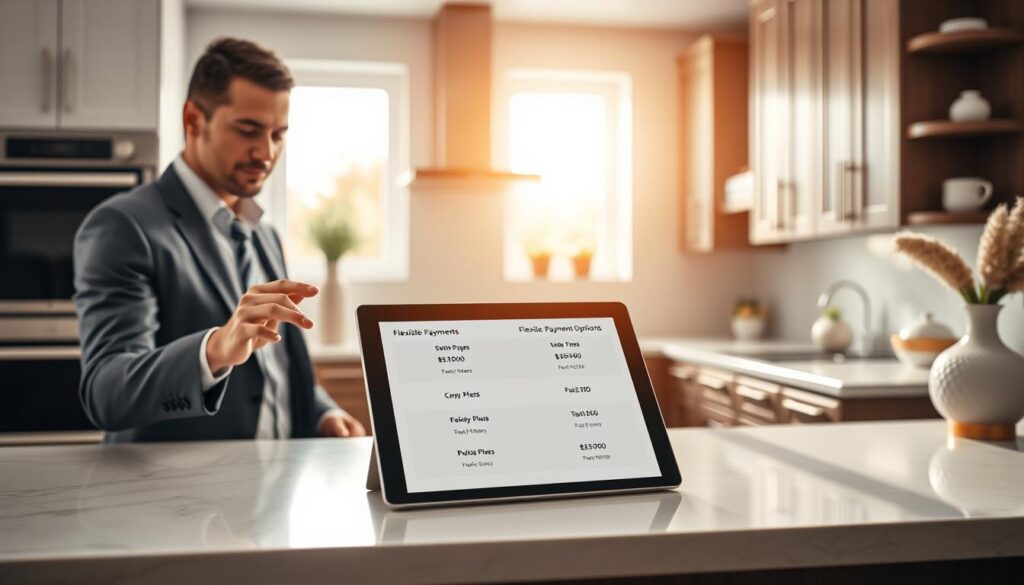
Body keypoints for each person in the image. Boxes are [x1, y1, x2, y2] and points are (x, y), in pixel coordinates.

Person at [73, 37, 366, 442]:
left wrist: (321, 412)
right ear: (193, 120)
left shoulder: (264, 235)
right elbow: (106, 393)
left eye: (279, 135)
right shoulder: (123, 226)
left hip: (270, 495)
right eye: (249, 130)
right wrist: (215, 348)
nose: (266, 153)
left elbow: (273, 370)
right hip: (173, 500)